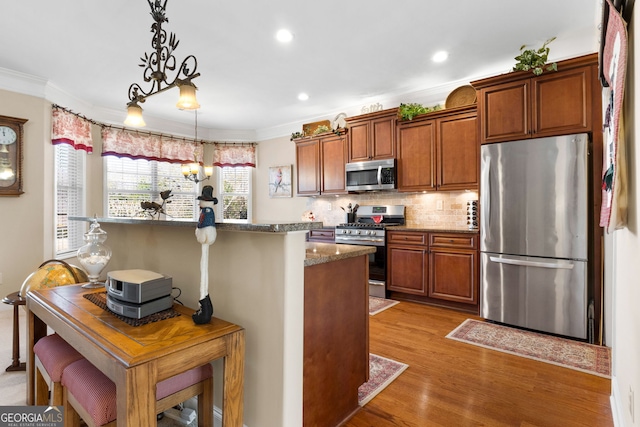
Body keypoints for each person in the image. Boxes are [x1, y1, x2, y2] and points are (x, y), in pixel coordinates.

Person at [193, 185, 217, 324]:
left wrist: (200, 232)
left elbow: (202, 225)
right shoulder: (208, 212)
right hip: (206, 239)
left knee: (204, 267)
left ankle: (204, 303)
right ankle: (204, 302)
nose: (199, 203)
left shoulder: (206, 213)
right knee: (203, 266)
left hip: (205, 238)